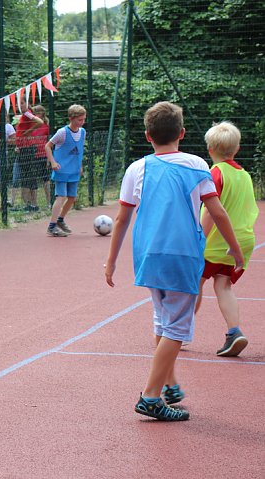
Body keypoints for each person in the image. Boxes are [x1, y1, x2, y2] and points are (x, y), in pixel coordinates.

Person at [104, 101, 244, 421]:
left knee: (162, 320)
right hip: (182, 255)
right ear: (181, 133)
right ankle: (151, 397)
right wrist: (235, 250)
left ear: (147, 136)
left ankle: (169, 384)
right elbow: (217, 211)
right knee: (177, 329)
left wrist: (110, 261)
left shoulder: (136, 168)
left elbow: (122, 218)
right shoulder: (196, 164)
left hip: (148, 255)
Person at [195, 121, 259, 357]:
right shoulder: (245, 175)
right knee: (223, 285)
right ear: (238, 148)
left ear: (210, 149)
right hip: (241, 239)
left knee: (195, 282)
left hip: (216, 240)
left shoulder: (215, 173)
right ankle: (234, 332)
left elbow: (214, 210)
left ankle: (179, 333)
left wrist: (198, 237)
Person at [44, 105, 87, 237]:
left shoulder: (83, 132)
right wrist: (53, 162)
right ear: (71, 118)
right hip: (61, 170)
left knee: (72, 197)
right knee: (61, 196)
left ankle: (60, 220)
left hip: (73, 171)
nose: (82, 122)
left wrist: (80, 166)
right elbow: (48, 146)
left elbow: (79, 150)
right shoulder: (62, 132)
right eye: (79, 120)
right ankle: (51, 226)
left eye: (83, 119)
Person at [15, 99, 46, 212]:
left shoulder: (27, 113)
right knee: (28, 176)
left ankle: (31, 204)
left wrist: (29, 131)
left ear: (27, 104)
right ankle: (31, 204)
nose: (20, 105)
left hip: (27, 149)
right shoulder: (24, 115)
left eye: (22, 103)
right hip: (24, 148)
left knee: (28, 176)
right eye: (19, 103)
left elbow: (40, 122)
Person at [31, 105, 51, 208]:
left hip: (43, 154)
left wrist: (48, 158)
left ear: (42, 113)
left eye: (37, 113)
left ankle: (49, 202)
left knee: (46, 179)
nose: (35, 115)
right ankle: (34, 204)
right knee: (33, 179)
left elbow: (49, 143)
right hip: (33, 154)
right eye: (34, 113)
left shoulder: (46, 126)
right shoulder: (32, 125)